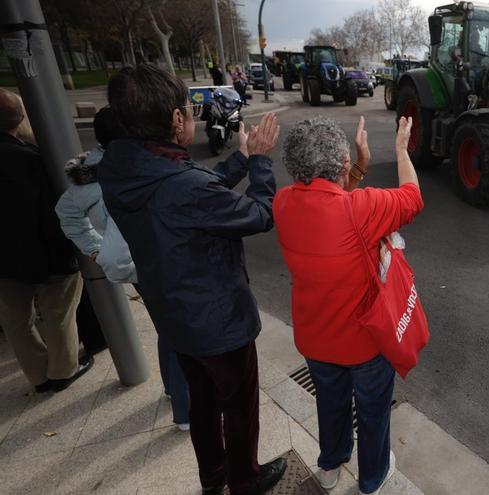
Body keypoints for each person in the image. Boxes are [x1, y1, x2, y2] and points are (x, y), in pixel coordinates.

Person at [99, 64, 284, 495]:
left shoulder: (121, 169)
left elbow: (193, 194)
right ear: (175, 119)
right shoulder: (181, 186)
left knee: (202, 401)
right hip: (218, 322)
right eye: (189, 108)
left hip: (174, 316)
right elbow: (259, 215)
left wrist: (238, 158)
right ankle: (244, 480)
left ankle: (213, 477)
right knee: (237, 407)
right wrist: (258, 163)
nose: (194, 116)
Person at [273, 115, 423, 494]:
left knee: (331, 404)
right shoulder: (362, 210)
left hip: (315, 340)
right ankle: (372, 478)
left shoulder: (283, 202)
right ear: (340, 163)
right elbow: (412, 197)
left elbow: (330, 201)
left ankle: (330, 465)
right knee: (372, 413)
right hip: (364, 344)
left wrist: (357, 167)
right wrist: (401, 150)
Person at [55, 107, 191, 431]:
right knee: (180, 335)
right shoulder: (127, 173)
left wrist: (93, 247)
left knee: (166, 330)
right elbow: (116, 247)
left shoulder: (87, 175)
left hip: (137, 266)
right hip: (150, 263)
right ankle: (187, 413)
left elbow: (66, 214)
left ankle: (173, 390)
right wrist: (105, 253)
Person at [0, 88, 94, 393]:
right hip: (46, 253)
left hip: (5, 263)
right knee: (59, 312)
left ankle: (38, 375)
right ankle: (63, 370)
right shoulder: (33, 158)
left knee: (15, 321)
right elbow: (54, 211)